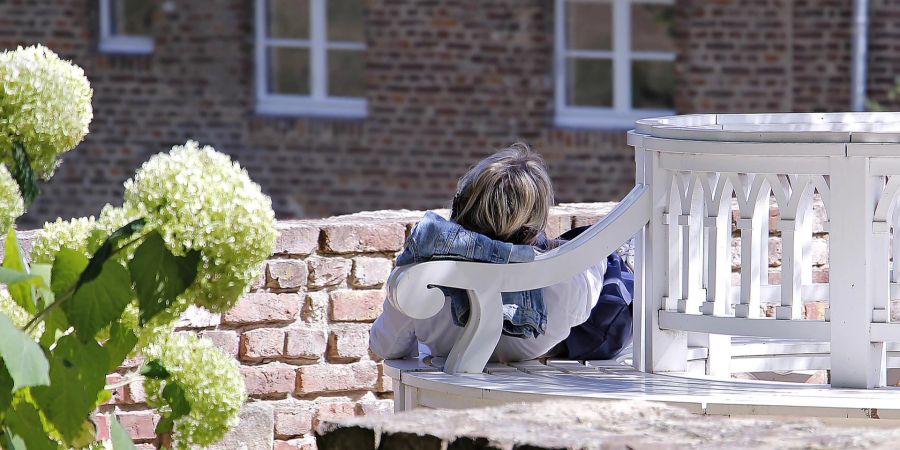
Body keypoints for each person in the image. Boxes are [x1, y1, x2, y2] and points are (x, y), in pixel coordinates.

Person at [369, 143, 609, 362]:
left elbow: (386, 347)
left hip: (453, 380)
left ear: (461, 205)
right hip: (531, 381)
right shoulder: (565, 281)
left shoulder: (420, 272)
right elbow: (586, 298)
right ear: (536, 221)